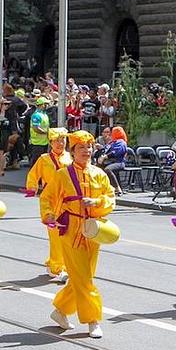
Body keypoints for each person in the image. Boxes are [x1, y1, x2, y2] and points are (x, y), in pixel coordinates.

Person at [42, 130, 116, 338]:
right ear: (73, 151)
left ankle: (60, 311)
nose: (86, 151)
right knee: (84, 279)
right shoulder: (62, 175)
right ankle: (92, 320)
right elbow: (47, 197)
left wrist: (98, 202)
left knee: (83, 276)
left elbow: (110, 197)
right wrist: (48, 214)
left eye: (89, 147)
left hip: (93, 230)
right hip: (71, 230)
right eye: (81, 147)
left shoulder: (99, 174)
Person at [25, 128, 72, 282]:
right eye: (57, 140)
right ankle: (57, 268)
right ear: (51, 142)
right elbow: (33, 174)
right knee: (55, 235)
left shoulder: (70, 158)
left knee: (66, 234)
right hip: (50, 200)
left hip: (66, 201)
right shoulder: (44, 159)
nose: (60, 143)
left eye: (63, 140)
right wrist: (32, 187)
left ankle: (55, 262)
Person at [97, 126, 128, 195]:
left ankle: (117, 188)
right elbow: (107, 149)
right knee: (97, 168)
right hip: (111, 161)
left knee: (108, 169)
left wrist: (105, 156)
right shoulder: (112, 142)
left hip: (119, 162)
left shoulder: (121, 142)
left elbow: (116, 152)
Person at [28, 97, 51, 167]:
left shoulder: (45, 114)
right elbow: (36, 128)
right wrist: (46, 132)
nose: (47, 106)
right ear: (41, 105)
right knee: (36, 162)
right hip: (36, 143)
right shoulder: (36, 115)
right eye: (45, 104)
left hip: (44, 142)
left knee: (43, 162)